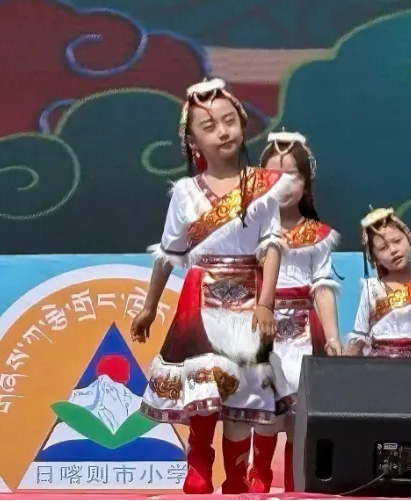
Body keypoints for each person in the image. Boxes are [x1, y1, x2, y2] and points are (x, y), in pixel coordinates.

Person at [130, 78, 298, 495]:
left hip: (247, 298)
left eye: (229, 121)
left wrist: (265, 303)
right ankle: (199, 461)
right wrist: (149, 307)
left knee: (243, 391)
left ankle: (236, 475)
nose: (223, 132)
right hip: (200, 297)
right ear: (193, 142)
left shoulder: (264, 187)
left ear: (242, 124)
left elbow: (271, 247)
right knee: (205, 382)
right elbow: (169, 254)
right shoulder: (185, 192)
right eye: (209, 126)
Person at [247, 131, 341, 492]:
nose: (284, 185)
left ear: (307, 183)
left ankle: (295, 490)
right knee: (263, 414)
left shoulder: (318, 235)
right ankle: (256, 484)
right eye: (275, 175)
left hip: (303, 335)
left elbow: (323, 286)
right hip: (260, 331)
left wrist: (332, 336)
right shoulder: (248, 229)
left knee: (299, 420)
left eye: (293, 176)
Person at [347, 208, 411, 358]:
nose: (393, 250)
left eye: (397, 241)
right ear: (375, 258)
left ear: (409, 239)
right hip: (378, 365)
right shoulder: (371, 288)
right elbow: (360, 334)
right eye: (383, 248)